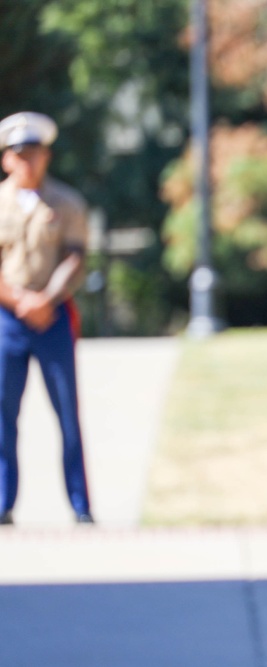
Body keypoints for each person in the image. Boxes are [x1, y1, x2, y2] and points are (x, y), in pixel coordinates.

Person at [0, 111, 93, 526]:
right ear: (6, 159)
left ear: (47, 157)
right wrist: (18, 299)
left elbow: (75, 257)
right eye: (20, 155)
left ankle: (80, 505)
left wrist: (45, 299)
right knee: (3, 413)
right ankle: (4, 502)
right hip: (7, 317)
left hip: (51, 317)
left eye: (35, 154)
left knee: (67, 414)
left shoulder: (66, 202)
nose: (28, 162)